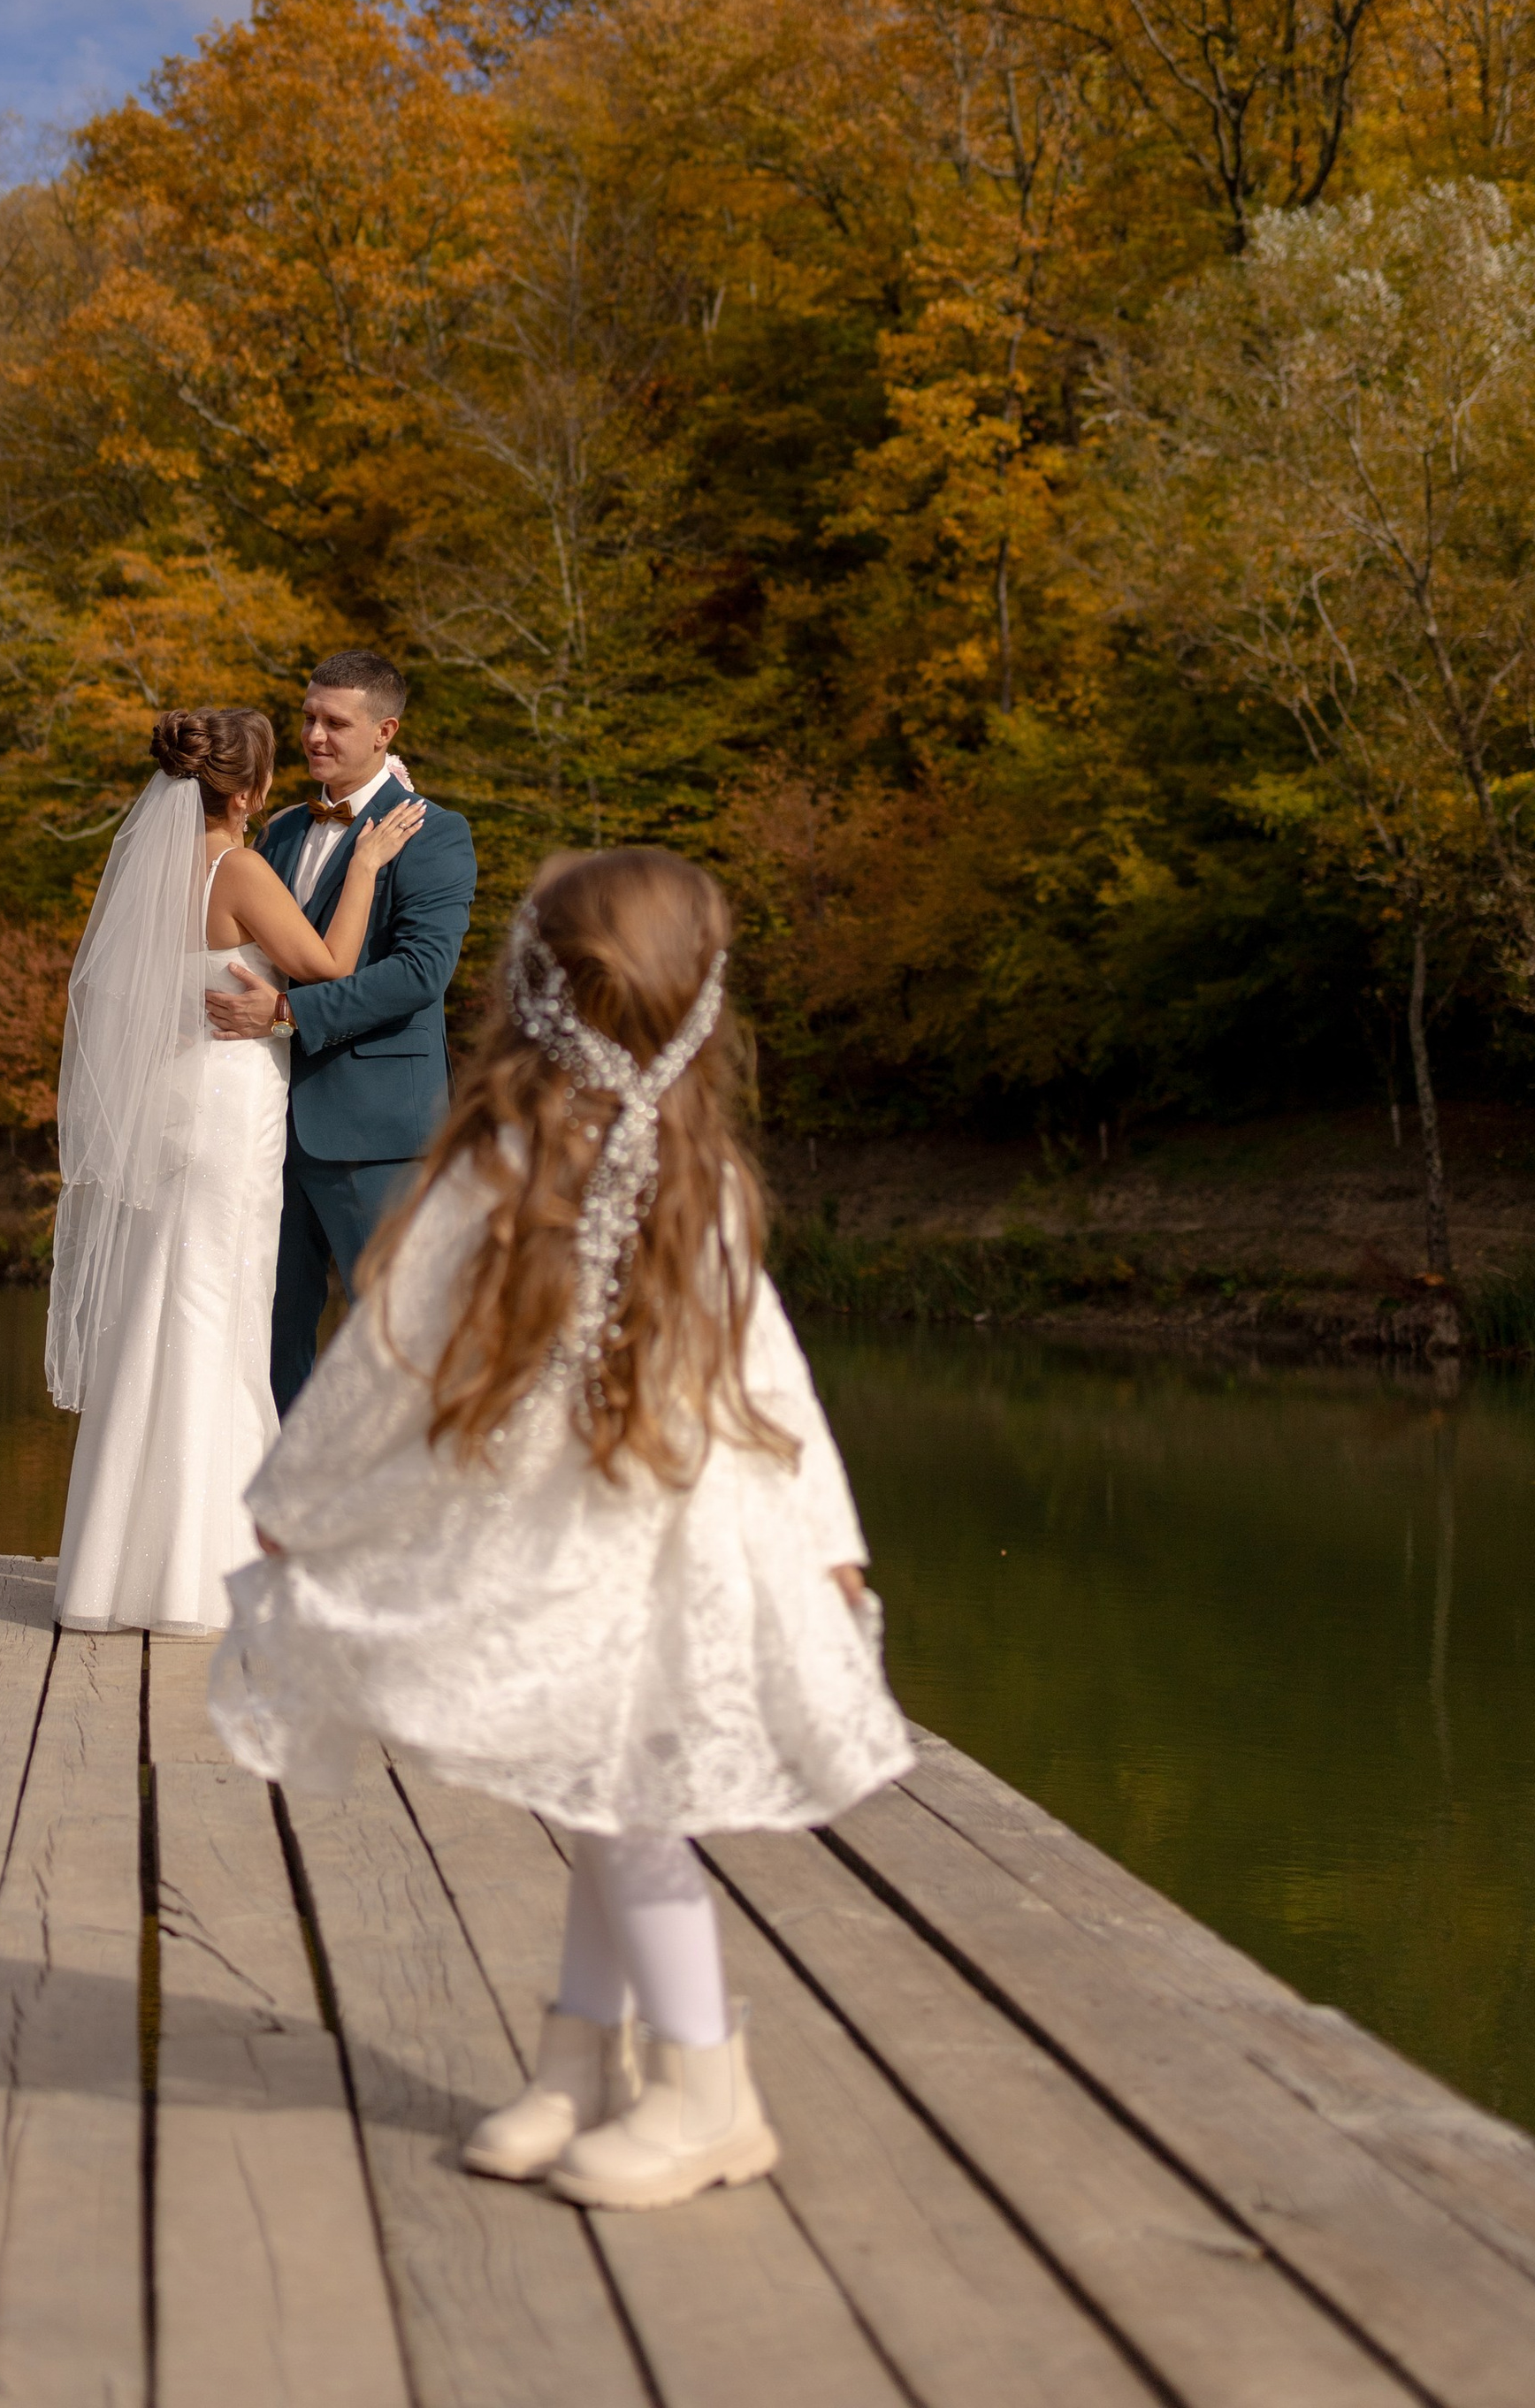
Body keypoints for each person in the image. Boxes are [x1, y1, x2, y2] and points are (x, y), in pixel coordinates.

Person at [208, 847, 911, 2212]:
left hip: (680, 1552)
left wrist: (826, 1532)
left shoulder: (688, 1179)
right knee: (600, 1798)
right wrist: (301, 1506)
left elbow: (764, 1367)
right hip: (569, 1545)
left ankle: (710, 2094)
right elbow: (396, 1352)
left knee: (634, 1815)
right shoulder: (509, 1167)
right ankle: (582, 2062)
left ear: (530, 995)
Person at [47, 704, 425, 1635]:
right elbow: (331, 964)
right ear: (251, 792)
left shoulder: (147, 873)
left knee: (162, 1306)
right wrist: (369, 864)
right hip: (227, 1114)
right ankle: (199, 1579)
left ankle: (111, 1575)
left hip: (171, 1107)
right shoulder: (238, 867)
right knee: (218, 1311)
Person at [204, 651, 477, 1412]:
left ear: (386, 730)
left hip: (378, 1130)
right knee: (266, 1337)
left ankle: (396, 1524)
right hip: (263, 1121)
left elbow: (422, 973)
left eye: (335, 722)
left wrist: (290, 1014)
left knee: (394, 1343)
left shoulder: (436, 835)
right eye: (307, 718)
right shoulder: (284, 830)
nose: (314, 736)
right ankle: (283, 1521)